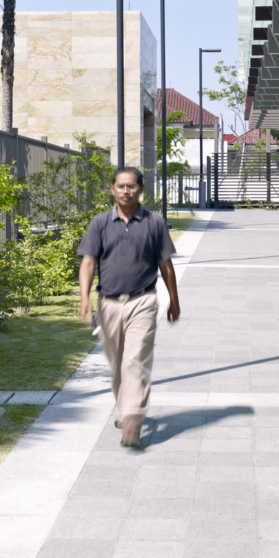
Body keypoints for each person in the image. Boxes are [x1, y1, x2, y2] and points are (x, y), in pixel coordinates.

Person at [78, 167, 181, 447]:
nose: (126, 191)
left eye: (131, 186)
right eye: (121, 186)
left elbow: (166, 265)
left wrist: (174, 299)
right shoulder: (99, 224)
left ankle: (133, 419)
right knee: (118, 364)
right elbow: (88, 262)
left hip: (143, 301)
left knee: (135, 361)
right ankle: (124, 409)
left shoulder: (154, 223)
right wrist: (85, 297)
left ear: (141, 189)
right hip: (108, 303)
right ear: (112, 189)